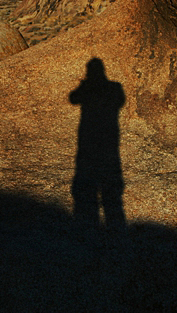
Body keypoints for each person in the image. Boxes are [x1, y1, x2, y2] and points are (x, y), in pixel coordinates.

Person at [69, 58, 126, 229]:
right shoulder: (115, 86)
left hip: (89, 134)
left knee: (87, 170)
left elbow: (73, 98)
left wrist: (84, 85)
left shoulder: (90, 87)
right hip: (109, 134)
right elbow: (120, 101)